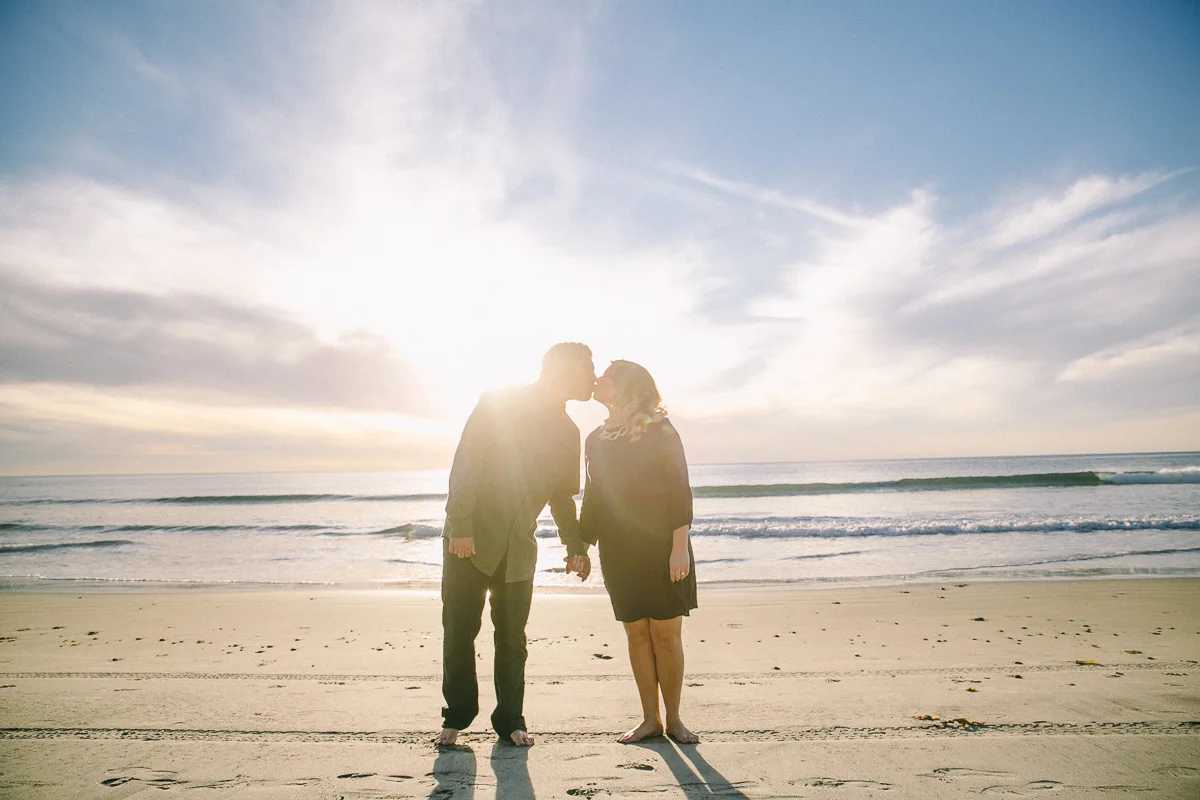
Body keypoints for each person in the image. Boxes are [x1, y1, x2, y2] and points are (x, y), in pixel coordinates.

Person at [436, 343, 596, 748]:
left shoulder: (568, 432)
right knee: (459, 631)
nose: (593, 377)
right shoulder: (499, 403)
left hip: (519, 547)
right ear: (560, 372)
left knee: (512, 638)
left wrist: (574, 545)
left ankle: (510, 719)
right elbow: (467, 462)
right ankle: (456, 716)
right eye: (586, 369)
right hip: (469, 540)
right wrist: (461, 525)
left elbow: (562, 496)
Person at [580, 360, 699, 744]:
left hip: (663, 544)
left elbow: (679, 489)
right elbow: (594, 496)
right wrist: (580, 546)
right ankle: (650, 719)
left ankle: (675, 718)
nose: (598, 378)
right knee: (635, 634)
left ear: (628, 385)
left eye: (608, 374)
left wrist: (678, 547)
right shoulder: (595, 439)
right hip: (619, 549)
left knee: (666, 635)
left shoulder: (659, 429)